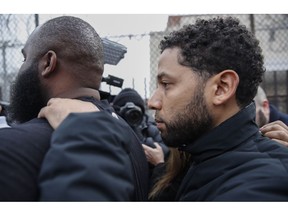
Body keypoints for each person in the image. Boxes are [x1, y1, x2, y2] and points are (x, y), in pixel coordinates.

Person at [38, 16, 288, 201]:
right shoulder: (200, 156)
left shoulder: (260, 187)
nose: (152, 102)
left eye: (166, 84)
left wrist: (86, 135)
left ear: (221, 88)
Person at [0, 15, 149, 201]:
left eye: (25, 59)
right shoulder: (129, 136)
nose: (21, 69)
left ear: (48, 63)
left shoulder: (10, 149)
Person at [112, 88, 170, 160]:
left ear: (141, 112)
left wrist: (143, 140)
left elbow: (165, 150)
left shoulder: (149, 128)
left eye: (135, 112)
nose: (131, 115)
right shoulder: (112, 128)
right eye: (126, 111)